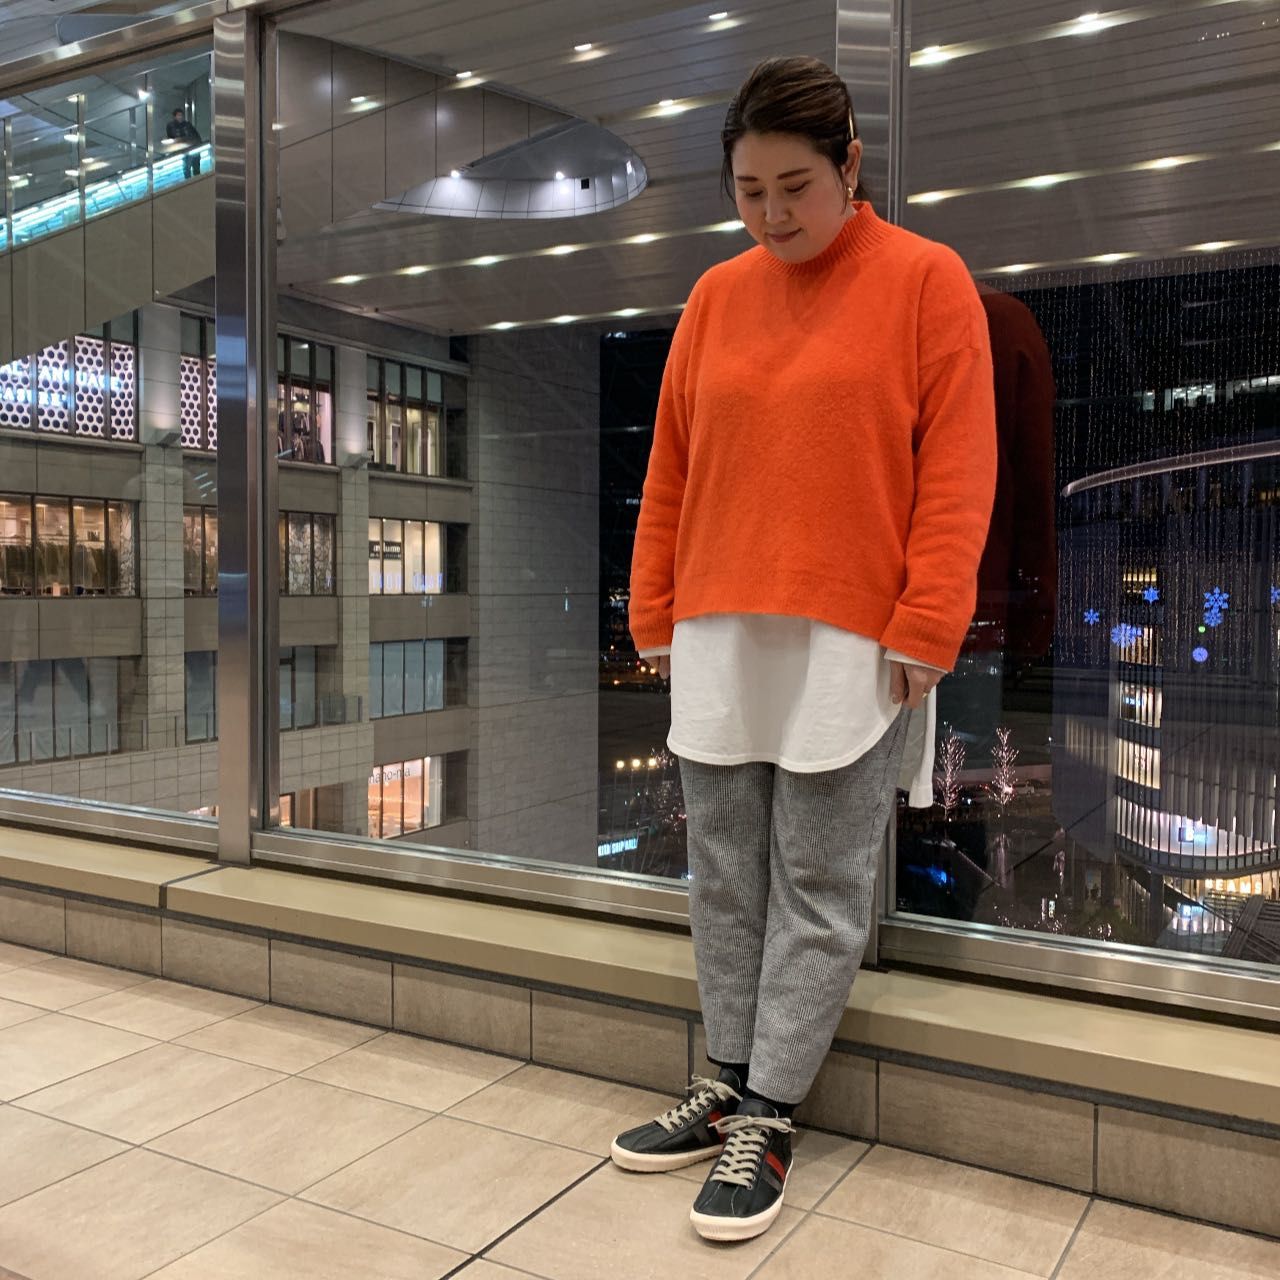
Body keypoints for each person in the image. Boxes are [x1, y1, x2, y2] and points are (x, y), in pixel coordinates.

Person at [612, 55, 997, 1244]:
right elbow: (671, 464)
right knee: (723, 871)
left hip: (851, 634)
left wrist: (927, 622)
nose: (771, 214)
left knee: (820, 885)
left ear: (849, 166)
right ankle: (727, 1076)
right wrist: (651, 609)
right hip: (718, 622)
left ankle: (769, 1112)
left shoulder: (925, 281)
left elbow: (956, 471)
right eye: (748, 191)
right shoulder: (714, 296)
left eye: (794, 186)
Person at [166, 107, 203, 178]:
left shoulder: (187, 124)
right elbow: (171, 138)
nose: (180, 117)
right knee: (187, 168)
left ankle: (197, 179)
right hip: (184, 150)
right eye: (178, 115)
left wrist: (199, 144)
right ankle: (189, 180)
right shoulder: (171, 126)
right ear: (174, 116)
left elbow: (196, 134)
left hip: (193, 147)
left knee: (196, 167)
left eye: (181, 115)